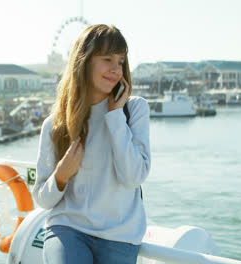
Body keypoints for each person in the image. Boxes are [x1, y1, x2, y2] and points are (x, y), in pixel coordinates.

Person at [32, 24, 151, 264]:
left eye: (120, 61)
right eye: (107, 59)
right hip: (68, 229)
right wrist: (62, 176)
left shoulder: (134, 109)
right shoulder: (56, 124)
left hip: (120, 236)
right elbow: (43, 200)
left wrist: (116, 116)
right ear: (84, 61)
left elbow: (133, 177)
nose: (116, 69)